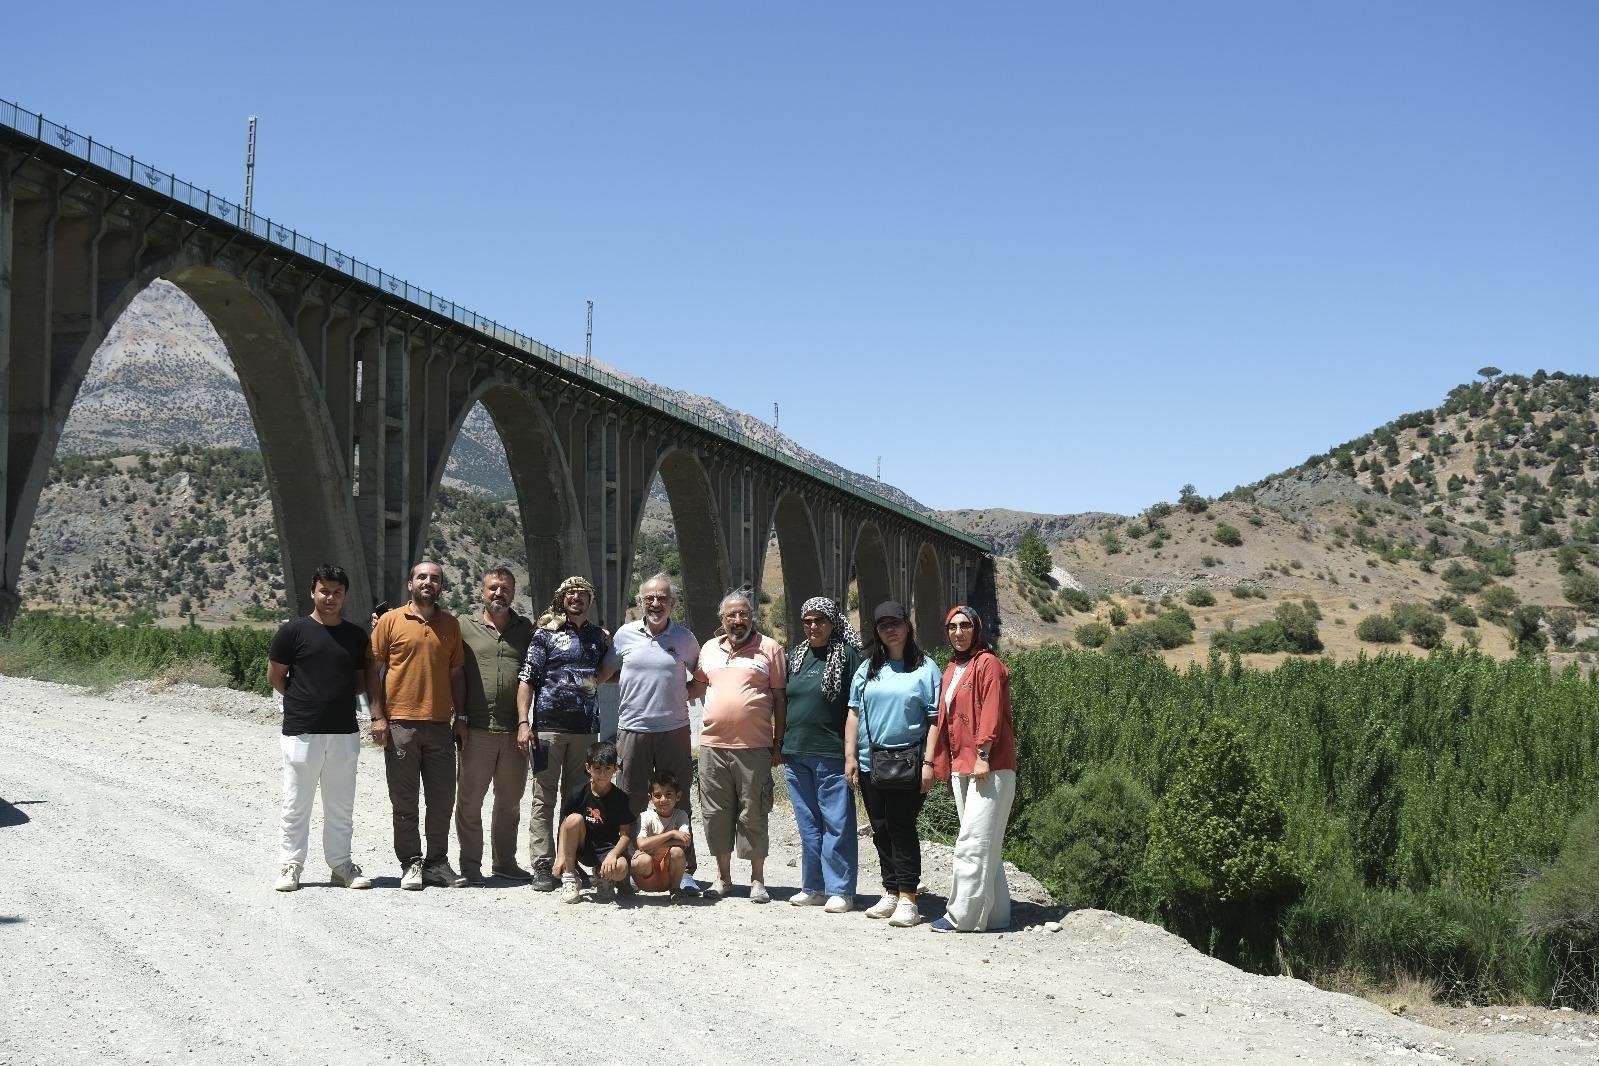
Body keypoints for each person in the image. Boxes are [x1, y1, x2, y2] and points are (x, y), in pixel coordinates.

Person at [268, 563, 372, 892]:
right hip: (302, 731)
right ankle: (290, 865)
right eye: (324, 590)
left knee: (340, 805)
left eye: (337, 592)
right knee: (296, 803)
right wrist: (305, 701)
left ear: (345, 596)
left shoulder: (355, 636)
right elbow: (276, 676)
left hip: (344, 731)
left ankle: (341, 864)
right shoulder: (292, 632)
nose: (330, 597)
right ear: (313, 591)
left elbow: (359, 682)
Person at [368, 559, 468, 890]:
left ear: (441, 586)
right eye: (422, 577)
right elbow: (374, 669)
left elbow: (456, 674)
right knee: (405, 801)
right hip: (400, 726)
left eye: (435, 578)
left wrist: (461, 717)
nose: (428, 582)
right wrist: (377, 715)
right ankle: (411, 862)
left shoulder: (450, 626)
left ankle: (437, 863)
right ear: (410, 584)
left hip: (440, 725)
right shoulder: (390, 621)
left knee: (441, 801)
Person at [605, 574, 705, 898]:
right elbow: (604, 673)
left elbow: (700, 680)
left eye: (662, 598)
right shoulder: (624, 636)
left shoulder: (685, 638)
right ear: (640, 602)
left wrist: (677, 695)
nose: (656, 603)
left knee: (680, 798)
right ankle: (633, 866)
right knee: (629, 797)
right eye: (650, 598)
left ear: (672, 604)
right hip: (632, 729)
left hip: (673, 730)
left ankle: (685, 870)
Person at [846, 599, 941, 929]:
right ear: (877, 630)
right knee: (881, 828)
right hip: (872, 761)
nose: (890, 629)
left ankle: (908, 898)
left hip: (910, 761)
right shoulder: (867, 668)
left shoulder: (926, 668)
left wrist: (930, 762)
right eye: (883, 624)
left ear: (907, 625)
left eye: (895, 623)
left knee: (901, 826)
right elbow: (854, 714)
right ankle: (891, 889)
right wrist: (850, 757)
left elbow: (935, 720)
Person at [517, 575, 613, 890]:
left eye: (583, 594)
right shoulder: (544, 634)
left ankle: (568, 862)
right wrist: (523, 722)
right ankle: (543, 865)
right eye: (571, 593)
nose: (576, 598)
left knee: (576, 799)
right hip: (548, 728)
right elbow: (527, 679)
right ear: (562, 599)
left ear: (590, 600)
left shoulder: (600, 637)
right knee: (543, 797)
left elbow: (604, 675)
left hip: (586, 730)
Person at [929, 606, 1017, 932]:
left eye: (965, 625)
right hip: (962, 764)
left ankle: (961, 917)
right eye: (952, 627)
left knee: (972, 842)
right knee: (987, 844)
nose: (958, 632)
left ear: (976, 628)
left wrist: (983, 754)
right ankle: (996, 916)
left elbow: (991, 711)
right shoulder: (952, 668)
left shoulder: (988, 664)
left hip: (989, 765)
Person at [695, 589, 787, 903]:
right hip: (712, 746)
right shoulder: (708, 649)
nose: (738, 620)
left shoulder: (770, 648)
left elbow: (778, 698)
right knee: (716, 813)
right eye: (731, 615)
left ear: (752, 617)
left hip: (755, 747)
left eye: (744, 614)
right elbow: (695, 686)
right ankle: (722, 878)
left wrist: (778, 743)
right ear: (722, 620)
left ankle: (758, 881)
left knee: (754, 812)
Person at [455, 567, 535, 883]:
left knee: (510, 803)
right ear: (482, 592)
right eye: (492, 588)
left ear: (513, 593)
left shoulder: (525, 629)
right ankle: (471, 866)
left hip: (515, 730)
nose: (498, 593)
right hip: (475, 729)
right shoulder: (464, 625)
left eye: (504, 588)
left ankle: (505, 863)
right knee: (470, 802)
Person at [783, 596, 862, 913]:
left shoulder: (848, 656)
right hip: (795, 752)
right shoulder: (796, 657)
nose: (813, 626)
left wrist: (852, 753)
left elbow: (858, 705)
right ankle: (813, 886)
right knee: (808, 825)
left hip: (831, 752)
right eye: (807, 621)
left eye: (820, 620)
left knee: (837, 823)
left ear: (833, 623)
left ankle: (841, 890)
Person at [552, 740, 634, 904]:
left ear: (615, 769)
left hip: (607, 848)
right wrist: (560, 856)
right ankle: (570, 877)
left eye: (607, 769)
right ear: (588, 768)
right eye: (597, 768)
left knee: (622, 868)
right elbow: (564, 825)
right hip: (582, 846)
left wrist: (613, 854)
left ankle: (602, 875)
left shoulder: (621, 798)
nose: (602, 774)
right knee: (574, 819)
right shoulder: (577, 793)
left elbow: (625, 835)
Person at [631, 768, 692, 901]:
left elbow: (685, 841)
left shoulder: (680, 815)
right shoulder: (646, 816)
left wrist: (651, 846)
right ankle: (635, 883)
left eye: (669, 794)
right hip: (647, 875)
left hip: (668, 876)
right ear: (650, 798)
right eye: (658, 795)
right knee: (641, 860)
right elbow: (641, 844)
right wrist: (672, 834)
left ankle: (675, 890)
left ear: (678, 796)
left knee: (677, 852)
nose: (663, 799)